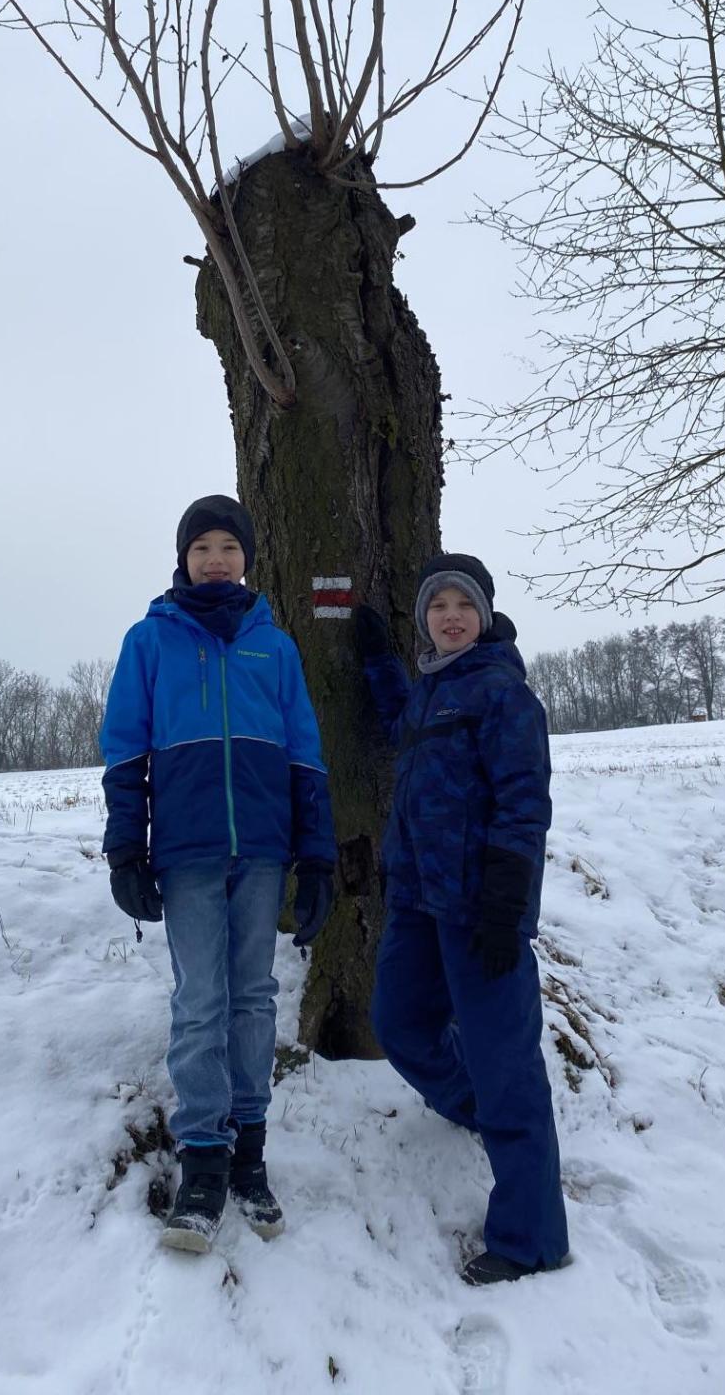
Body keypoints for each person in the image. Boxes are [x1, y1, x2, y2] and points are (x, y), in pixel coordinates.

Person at [100, 494, 336, 1253]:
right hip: (188, 854)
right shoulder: (150, 641)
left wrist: (318, 854)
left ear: (247, 560)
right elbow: (125, 750)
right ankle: (203, 1158)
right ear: (183, 558)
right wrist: (125, 849)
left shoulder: (276, 647)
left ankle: (249, 1154)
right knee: (202, 1000)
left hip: (262, 851)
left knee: (254, 998)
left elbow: (305, 756)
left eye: (228, 547)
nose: (215, 560)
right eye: (201, 547)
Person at [356, 553, 569, 1286]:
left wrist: (507, 905)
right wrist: (378, 662)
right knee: (398, 1023)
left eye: (463, 605)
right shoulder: (430, 692)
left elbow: (525, 803)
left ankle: (531, 1239)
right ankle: (478, 1108)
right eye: (438, 606)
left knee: (506, 1061)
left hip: (482, 910)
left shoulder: (504, 695)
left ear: (484, 615)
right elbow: (400, 727)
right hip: (417, 902)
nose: (451, 617)